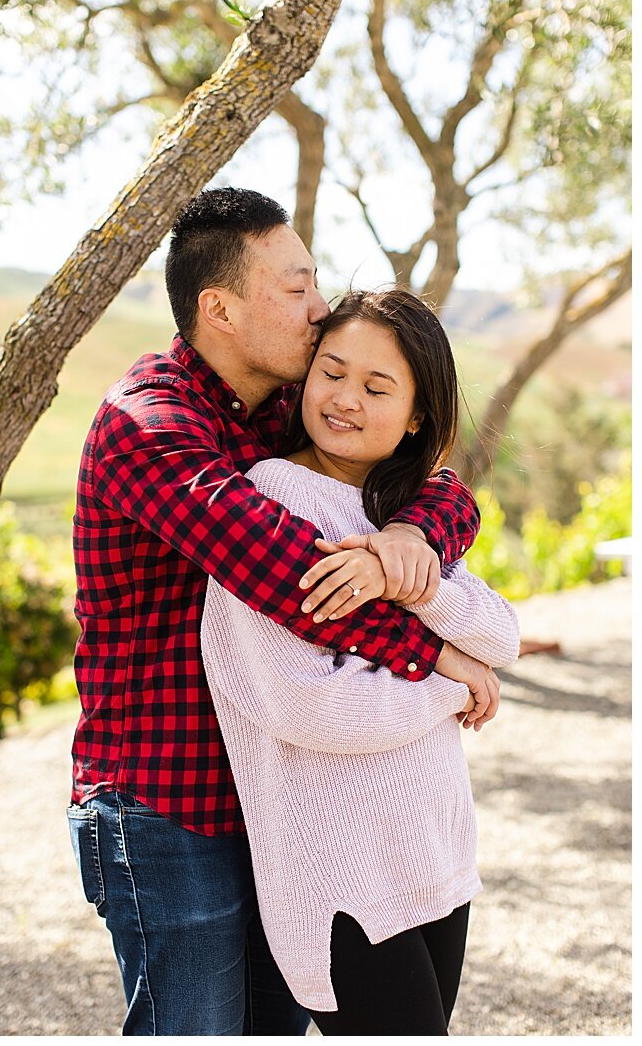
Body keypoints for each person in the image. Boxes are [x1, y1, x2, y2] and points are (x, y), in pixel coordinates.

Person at [68, 188, 494, 1035]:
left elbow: (439, 488)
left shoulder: (276, 409)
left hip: (271, 802)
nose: (319, 307)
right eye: (296, 287)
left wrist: (411, 532)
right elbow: (292, 575)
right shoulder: (148, 425)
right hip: (166, 804)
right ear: (219, 307)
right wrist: (438, 655)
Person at [200, 287, 517, 1034]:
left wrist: (413, 572)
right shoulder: (273, 502)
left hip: (431, 853)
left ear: (416, 415)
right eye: (331, 373)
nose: (345, 399)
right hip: (343, 873)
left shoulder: (402, 513)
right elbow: (315, 704)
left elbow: (499, 635)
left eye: (376, 387)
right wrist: (450, 679)